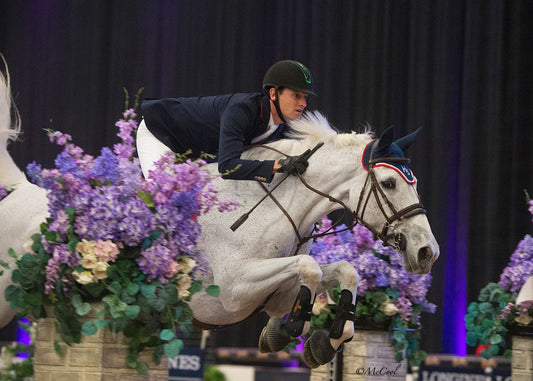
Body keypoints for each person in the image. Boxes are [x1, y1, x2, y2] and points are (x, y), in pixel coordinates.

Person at [136, 60, 316, 183]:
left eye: (305, 97)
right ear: (273, 93)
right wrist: (280, 165)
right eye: (296, 95)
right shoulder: (242, 109)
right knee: (161, 196)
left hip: (190, 155)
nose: (303, 103)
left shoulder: (280, 128)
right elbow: (228, 166)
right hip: (160, 132)